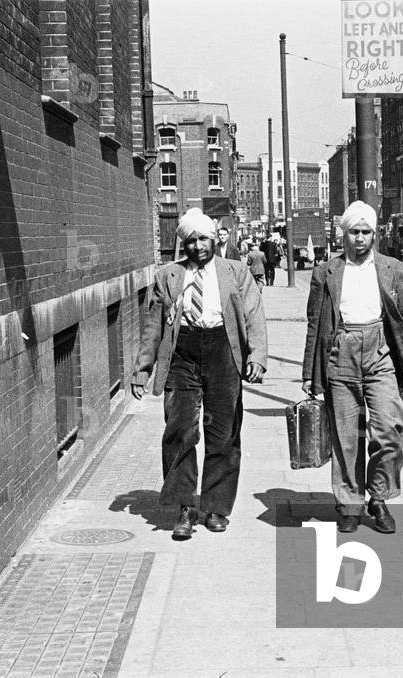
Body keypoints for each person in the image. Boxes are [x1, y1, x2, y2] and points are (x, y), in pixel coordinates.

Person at [132, 208, 267, 540]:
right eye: (190, 240)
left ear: (214, 238)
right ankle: (184, 508)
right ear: (183, 243)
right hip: (182, 354)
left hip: (224, 351)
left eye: (203, 238)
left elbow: (253, 314)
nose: (198, 246)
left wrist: (258, 356)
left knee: (224, 433)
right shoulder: (168, 276)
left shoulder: (235, 271)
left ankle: (216, 507)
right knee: (180, 430)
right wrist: (141, 369)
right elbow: (152, 328)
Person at [301, 200, 403, 534]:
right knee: (345, 437)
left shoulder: (393, 269)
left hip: (379, 352)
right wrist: (309, 373)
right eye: (354, 232)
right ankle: (349, 503)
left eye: (366, 232)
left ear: (374, 235)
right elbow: (315, 323)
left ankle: (378, 496)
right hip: (340, 353)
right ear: (343, 235)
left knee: (389, 429)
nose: (360, 238)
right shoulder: (326, 272)